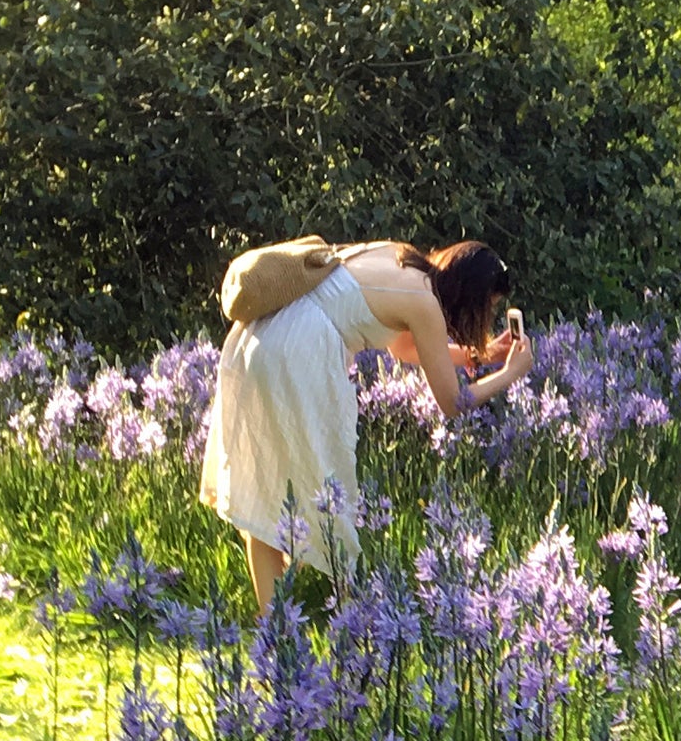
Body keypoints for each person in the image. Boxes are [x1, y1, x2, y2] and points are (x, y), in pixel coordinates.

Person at [200, 237, 532, 612]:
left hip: (260, 336)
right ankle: (347, 625)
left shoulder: (401, 258)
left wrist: (479, 354)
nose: (483, 319)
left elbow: (402, 347)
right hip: (297, 352)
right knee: (320, 492)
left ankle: (274, 633)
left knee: (269, 493)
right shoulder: (424, 303)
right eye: (486, 309)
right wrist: (510, 374)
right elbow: (453, 402)